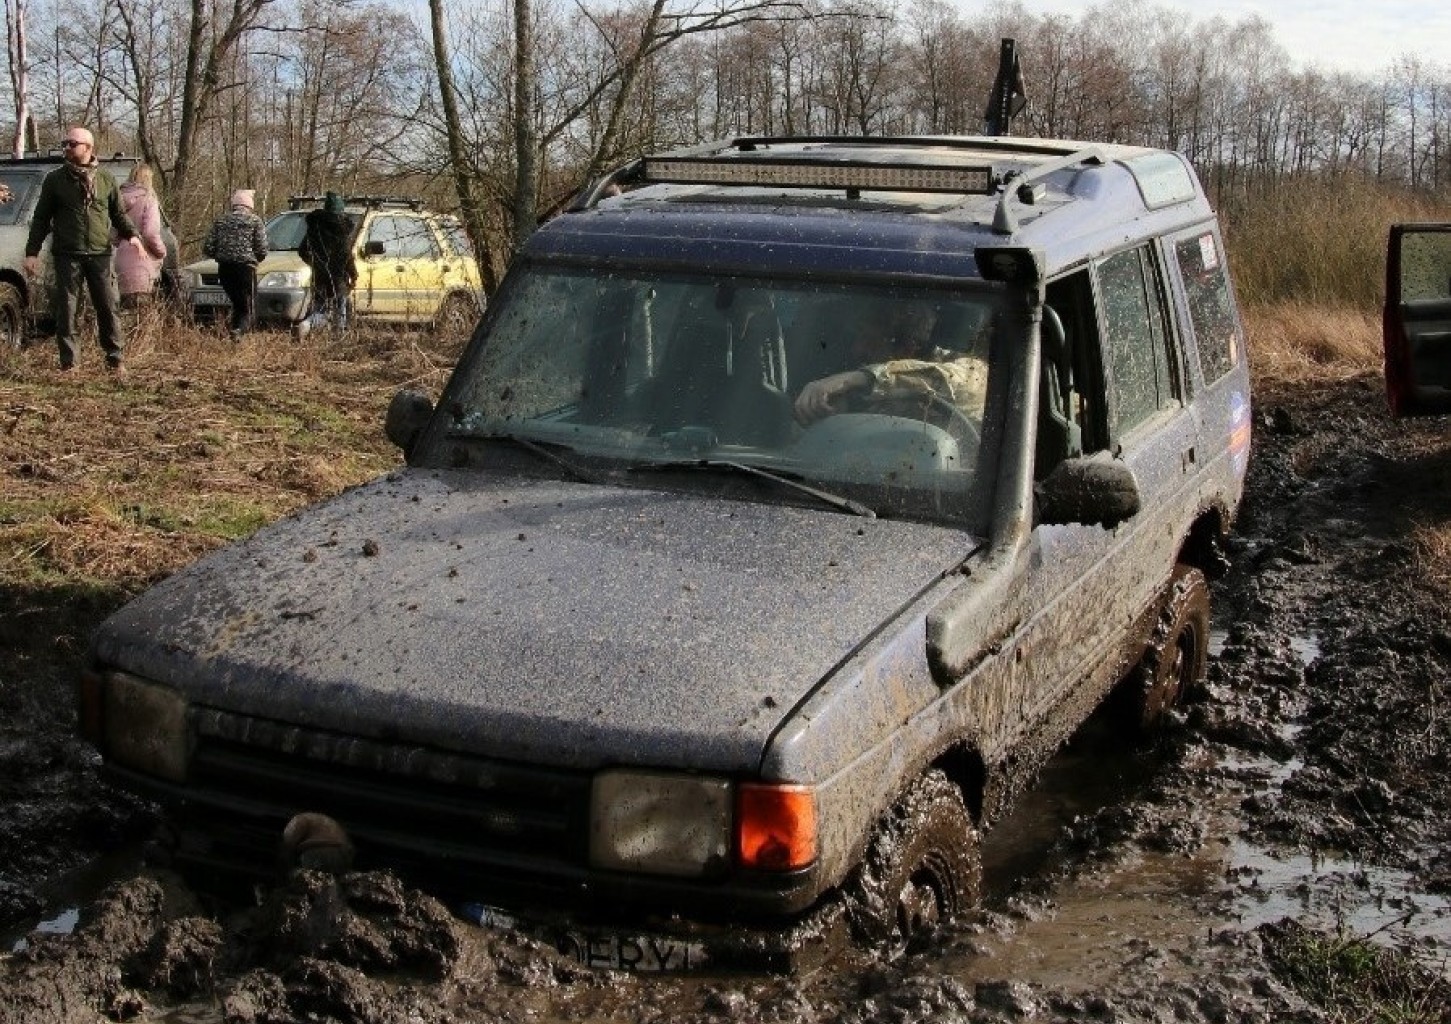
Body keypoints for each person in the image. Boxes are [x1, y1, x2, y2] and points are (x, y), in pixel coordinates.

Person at [23, 126, 146, 373]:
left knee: (108, 306)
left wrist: (133, 235)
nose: (66, 147)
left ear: (88, 148)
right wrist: (32, 253)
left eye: (72, 143)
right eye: (65, 143)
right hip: (67, 255)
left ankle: (115, 360)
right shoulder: (55, 179)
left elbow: (118, 214)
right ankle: (70, 364)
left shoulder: (106, 179)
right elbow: (40, 219)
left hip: (100, 254)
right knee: (67, 310)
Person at [793, 301, 988, 427]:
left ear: (908, 347)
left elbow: (961, 384)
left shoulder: (965, 370)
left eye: (869, 341)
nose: (858, 350)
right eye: (859, 338)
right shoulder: (854, 391)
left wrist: (861, 378)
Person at [202, 188, 268, 337]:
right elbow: (262, 248)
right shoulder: (254, 221)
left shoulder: (220, 221)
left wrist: (221, 255)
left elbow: (208, 247)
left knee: (237, 303)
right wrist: (256, 259)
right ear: (249, 206)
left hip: (225, 269)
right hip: (246, 269)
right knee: (247, 307)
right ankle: (239, 332)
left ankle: (234, 334)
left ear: (234, 205)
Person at [293, 191, 357, 338]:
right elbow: (347, 256)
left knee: (319, 309)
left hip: (319, 275)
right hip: (339, 278)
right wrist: (353, 274)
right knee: (340, 309)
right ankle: (338, 338)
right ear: (340, 211)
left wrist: (315, 263)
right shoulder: (343, 230)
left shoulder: (314, 227)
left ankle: (307, 324)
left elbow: (302, 251)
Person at [112, 163, 168, 310]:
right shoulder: (149, 199)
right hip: (143, 261)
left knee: (125, 312)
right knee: (142, 312)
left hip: (121, 259)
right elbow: (150, 233)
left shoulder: (118, 200)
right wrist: (161, 251)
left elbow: (112, 235)